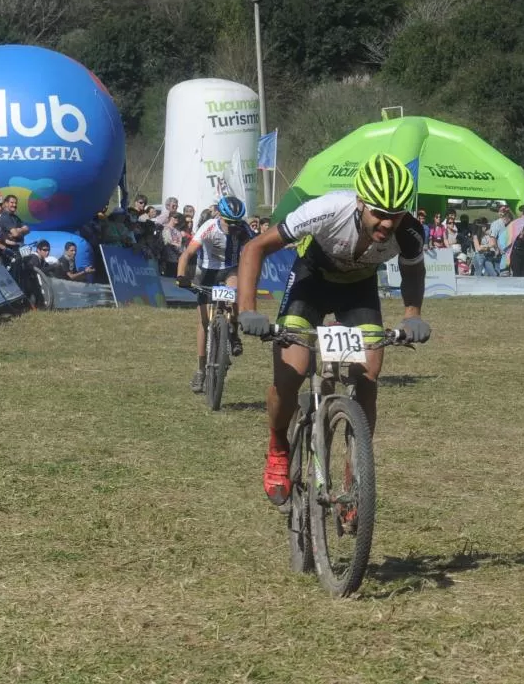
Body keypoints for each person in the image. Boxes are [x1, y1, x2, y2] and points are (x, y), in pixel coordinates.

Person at [235, 152, 430, 506]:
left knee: (367, 381)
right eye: (379, 213)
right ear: (360, 203)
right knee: (290, 376)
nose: (388, 223)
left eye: (396, 214)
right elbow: (255, 247)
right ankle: (278, 443)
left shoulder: (410, 232)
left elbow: (413, 271)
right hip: (311, 281)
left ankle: (356, 477)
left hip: (358, 292)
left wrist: (412, 314)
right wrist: (247, 310)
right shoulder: (326, 209)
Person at [176, 196, 252, 393]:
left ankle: (233, 332)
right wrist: (181, 276)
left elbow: (255, 250)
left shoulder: (243, 229)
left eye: (236, 223)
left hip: (230, 269)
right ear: (220, 216)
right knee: (203, 322)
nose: (232, 227)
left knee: (233, 293)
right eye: (229, 222)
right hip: (208, 271)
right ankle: (201, 370)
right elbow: (187, 254)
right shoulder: (209, 227)